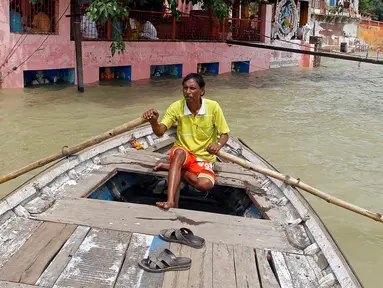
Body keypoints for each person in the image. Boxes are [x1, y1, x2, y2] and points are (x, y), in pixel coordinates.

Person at [142, 73, 230, 209]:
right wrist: (153, 121)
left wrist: (218, 144)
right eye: (185, 88)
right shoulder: (176, 107)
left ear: (202, 91)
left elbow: (224, 134)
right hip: (184, 154)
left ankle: (173, 169)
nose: (187, 92)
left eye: (192, 88)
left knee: (204, 185)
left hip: (204, 158)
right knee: (178, 153)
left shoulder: (213, 107)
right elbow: (160, 132)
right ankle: (171, 201)